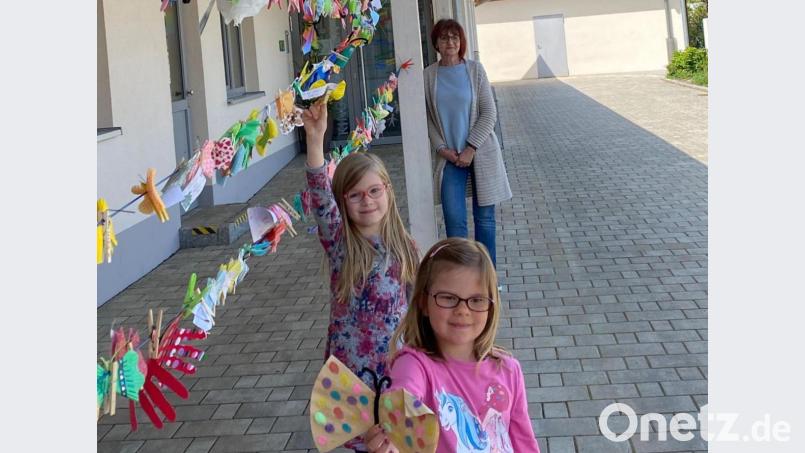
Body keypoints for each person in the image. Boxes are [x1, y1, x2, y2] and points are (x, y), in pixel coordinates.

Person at [302, 101, 420, 452]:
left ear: (388, 191)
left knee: (395, 444)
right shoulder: (340, 244)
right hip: (350, 374)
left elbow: (417, 306)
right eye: (354, 195)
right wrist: (315, 140)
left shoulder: (406, 245)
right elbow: (320, 196)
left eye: (373, 191)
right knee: (359, 445)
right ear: (343, 202)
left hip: (397, 370)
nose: (366, 201)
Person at [364, 237, 540, 453]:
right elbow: (403, 394)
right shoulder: (415, 365)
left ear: (491, 306)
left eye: (476, 300)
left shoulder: (509, 369)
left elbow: (523, 441)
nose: (462, 310)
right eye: (448, 298)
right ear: (423, 303)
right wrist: (392, 426)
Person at [424, 19, 512, 268]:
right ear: (436, 44)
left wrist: (471, 147)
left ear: (461, 41)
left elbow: (489, 113)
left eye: (454, 37)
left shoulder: (475, 70)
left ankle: (487, 279)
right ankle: (462, 277)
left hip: (479, 154)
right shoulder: (429, 75)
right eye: (443, 38)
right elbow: (427, 118)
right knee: (454, 223)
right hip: (450, 158)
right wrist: (442, 149)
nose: (449, 42)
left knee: (485, 220)